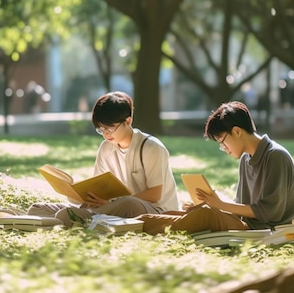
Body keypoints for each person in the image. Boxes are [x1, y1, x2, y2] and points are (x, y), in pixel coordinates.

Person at [138, 101, 294, 235]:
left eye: (223, 142)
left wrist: (218, 205)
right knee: (197, 212)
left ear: (237, 132)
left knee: (207, 215)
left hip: (270, 231)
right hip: (250, 225)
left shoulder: (275, 156)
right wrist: (210, 202)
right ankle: (138, 223)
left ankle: (142, 227)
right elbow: (241, 207)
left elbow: (269, 212)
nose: (224, 148)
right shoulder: (246, 159)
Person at [26, 91, 180, 226]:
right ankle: (74, 217)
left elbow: (155, 195)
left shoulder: (150, 147)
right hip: (111, 207)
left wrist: (114, 201)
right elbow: (100, 186)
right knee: (37, 208)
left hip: (155, 210)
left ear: (128, 121)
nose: (106, 134)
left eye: (109, 128)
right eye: (101, 129)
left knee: (129, 204)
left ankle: (74, 218)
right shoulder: (106, 148)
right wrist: (84, 196)